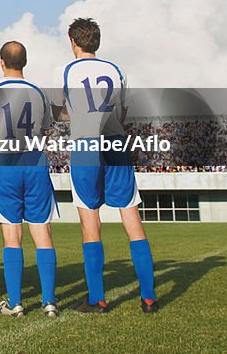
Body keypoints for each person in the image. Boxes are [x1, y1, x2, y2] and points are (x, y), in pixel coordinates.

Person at [57, 18, 157, 313]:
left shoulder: (65, 70)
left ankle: (97, 298)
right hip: (115, 143)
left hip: (86, 145)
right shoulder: (116, 70)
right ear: (96, 42)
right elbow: (123, 113)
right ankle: (148, 297)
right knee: (132, 221)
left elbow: (60, 114)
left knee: (90, 222)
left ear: (73, 42)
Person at [0, 41, 59, 318]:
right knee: (42, 232)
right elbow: (47, 128)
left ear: (1, 62)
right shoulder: (38, 92)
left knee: (11, 234)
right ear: (24, 62)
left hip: (5, 163)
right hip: (35, 161)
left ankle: (15, 302)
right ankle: (49, 301)